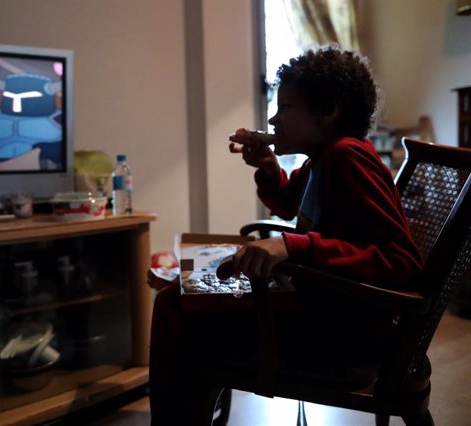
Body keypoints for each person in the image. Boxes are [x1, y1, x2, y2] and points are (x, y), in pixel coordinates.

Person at [148, 45, 423, 425]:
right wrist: (267, 167)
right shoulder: (323, 159)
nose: (274, 119)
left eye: (287, 108)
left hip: (344, 334)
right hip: (325, 311)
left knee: (174, 307)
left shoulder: (347, 157)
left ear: (328, 111)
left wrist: (294, 246)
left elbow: (402, 263)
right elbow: (291, 203)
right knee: (184, 301)